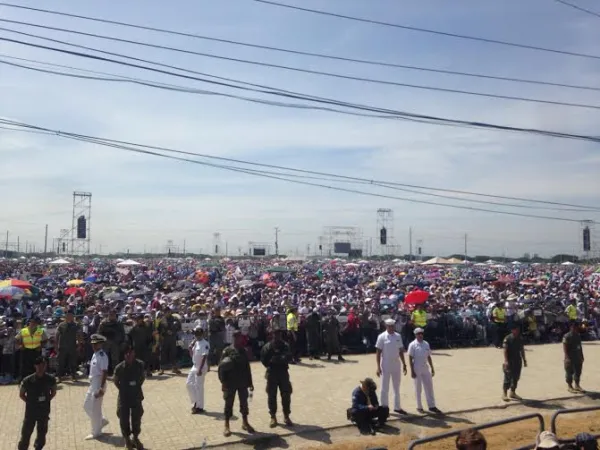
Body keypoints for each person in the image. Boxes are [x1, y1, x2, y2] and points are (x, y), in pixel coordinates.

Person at [219, 330, 255, 437]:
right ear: (233, 338)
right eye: (236, 337)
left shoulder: (242, 350)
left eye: (239, 337)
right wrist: (223, 382)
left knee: (244, 403)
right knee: (228, 403)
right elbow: (221, 368)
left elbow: (247, 367)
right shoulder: (227, 351)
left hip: (242, 382)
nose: (238, 339)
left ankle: (245, 422)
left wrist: (250, 382)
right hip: (230, 383)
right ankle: (226, 425)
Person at [18, 356, 57, 450]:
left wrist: (46, 400)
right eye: (39, 365)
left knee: (42, 434)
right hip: (31, 411)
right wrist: (31, 402)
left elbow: (53, 392)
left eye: (43, 365)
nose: (41, 367)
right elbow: (22, 394)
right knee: (26, 434)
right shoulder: (28, 380)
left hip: (44, 411)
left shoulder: (50, 379)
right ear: (35, 366)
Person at [113, 346, 146, 450]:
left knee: (137, 417)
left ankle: (136, 438)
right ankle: (127, 439)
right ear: (124, 355)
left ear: (134, 353)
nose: (128, 355)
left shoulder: (140, 365)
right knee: (123, 418)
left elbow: (142, 378)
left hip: (136, 395)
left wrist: (135, 387)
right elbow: (115, 381)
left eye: (130, 353)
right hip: (124, 397)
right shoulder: (119, 368)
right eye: (126, 353)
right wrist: (124, 389)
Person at [261, 328, 293, 428]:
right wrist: (273, 362)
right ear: (272, 335)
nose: (277, 336)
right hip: (272, 373)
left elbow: (289, 357)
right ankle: (273, 416)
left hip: (283, 372)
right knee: (271, 395)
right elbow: (263, 360)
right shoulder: (267, 347)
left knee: (286, 395)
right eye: (275, 334)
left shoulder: (285, 346)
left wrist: (279, 359)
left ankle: (286, 415)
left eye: (278, 334)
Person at [375, 318, 407, 415]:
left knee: (396, 387)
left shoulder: (398, 336)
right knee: (385, 387)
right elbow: (378, 353)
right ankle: (384, 408)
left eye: (392, 326)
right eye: (389, 326)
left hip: (396, 364)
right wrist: (378, 367)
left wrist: (404, 364)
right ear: (386, 326)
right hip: (386, 364)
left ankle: (397, 407)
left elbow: (401, 351)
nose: (391, 327)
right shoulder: (382, 336)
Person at [408, 327, 442, 414]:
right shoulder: (412, 344)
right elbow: (410, 358)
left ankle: (432, 406)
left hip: (425, 367)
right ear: (415, 335)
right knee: (418, 388)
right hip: (416, 367)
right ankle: (419, 406)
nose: (420, 335)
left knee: (429, 387)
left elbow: (429, 356)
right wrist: (412, 371)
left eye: (421, 333)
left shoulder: (426, 343)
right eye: (418, 334)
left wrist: (432, 367)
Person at [84, 334, 109, 440]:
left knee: (95, 409)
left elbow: (104, 372)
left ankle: (96, 432)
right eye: (93, 344)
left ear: (101, 344)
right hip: (93, 383)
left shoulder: (102, 355)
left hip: (98, 383)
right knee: (86, 406)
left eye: (96, 344)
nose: (93, 345)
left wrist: (101, 388)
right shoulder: (95, 354)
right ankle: (101, 421)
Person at [186, 327, 210, 414]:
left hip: (201, 367)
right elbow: (192, 355)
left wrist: (200, 370)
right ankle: (195, 402)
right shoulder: (195, 342)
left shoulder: (205, 343)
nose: (196, 335)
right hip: (194, 366)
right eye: (195, 334)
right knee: (188, 384)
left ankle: (199, 407)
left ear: (202, 334)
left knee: (199, 387)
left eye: (198, 334)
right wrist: (189, 349)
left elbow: (204, 357)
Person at [16, 317, 47, 381]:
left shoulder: (40, 331)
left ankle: (37, 379)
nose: (33, 324)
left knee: (37, 365)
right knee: (25, 366)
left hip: (36, 351)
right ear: (29, 323)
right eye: (32, 322)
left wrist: (41, 346)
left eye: (35, 323)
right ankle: (24, 380)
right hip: (26, 350)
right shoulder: (23, 330)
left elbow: (45, 340)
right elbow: (16, 339)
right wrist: (20, 345)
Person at [502, 322, 527, 401]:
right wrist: (506, 361)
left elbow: (522, 350)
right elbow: (505, 350)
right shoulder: (508, 338)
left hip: (517, 360)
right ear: (512, 330)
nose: (517, 331)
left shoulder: (520, 338)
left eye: (518, 329)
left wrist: (524, 360)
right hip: (510, 360)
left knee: (516, 377)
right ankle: (504, 394)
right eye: (516, 329)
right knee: (508, 377)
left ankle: (513, 392)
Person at [98, 309, 126, 376]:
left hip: (115, 343)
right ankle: (104, 373)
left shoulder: (119, 323)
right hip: (105, 343)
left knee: (115, 359)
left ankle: (115, 373)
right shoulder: (104, 323)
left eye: (113, 314)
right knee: (104, 358)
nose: (111, 316)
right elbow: (99, 332)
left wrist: (122, 341)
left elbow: (123, 333)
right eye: (110, 314)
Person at [55, 309, 79, 382]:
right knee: (60, 362)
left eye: (71, 315)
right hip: (62, 347)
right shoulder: (61, 325)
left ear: (73, 316)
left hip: (72, 346)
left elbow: (79, 335)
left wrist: (80, 344)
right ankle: (59, 377)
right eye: (68, 315)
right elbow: (57, 335)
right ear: (65, 316)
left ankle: (73, 376)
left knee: (73, 362)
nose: (69, 316)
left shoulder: (76, 324)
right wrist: (56, 346)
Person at [158, 307, 182, 375]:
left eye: (168, 311)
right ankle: (162, 369)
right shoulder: (162, 320)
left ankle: (174, 368)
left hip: (173, 338)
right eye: (165, 312)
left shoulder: (175, 319)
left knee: (173, 353)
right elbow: (159, 330)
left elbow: (179, 327)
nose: (167, 313)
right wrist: (165, 332)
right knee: (163, 354)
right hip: (164, 339)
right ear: (164, 312)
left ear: (170, 311)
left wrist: (173, 331)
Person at [563, 320, 585, 393]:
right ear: (571, 327)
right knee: (569, 372)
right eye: (574, 327)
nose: (575, 328)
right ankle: (570, 386)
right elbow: (565, 347)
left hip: (577, 356)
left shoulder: (578, 335)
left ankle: (577, 385)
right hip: (570, 357)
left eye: (576, 327)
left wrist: (582, 356)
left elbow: (580, 346)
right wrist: (566, 357)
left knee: (578, 371)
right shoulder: (567, 336)